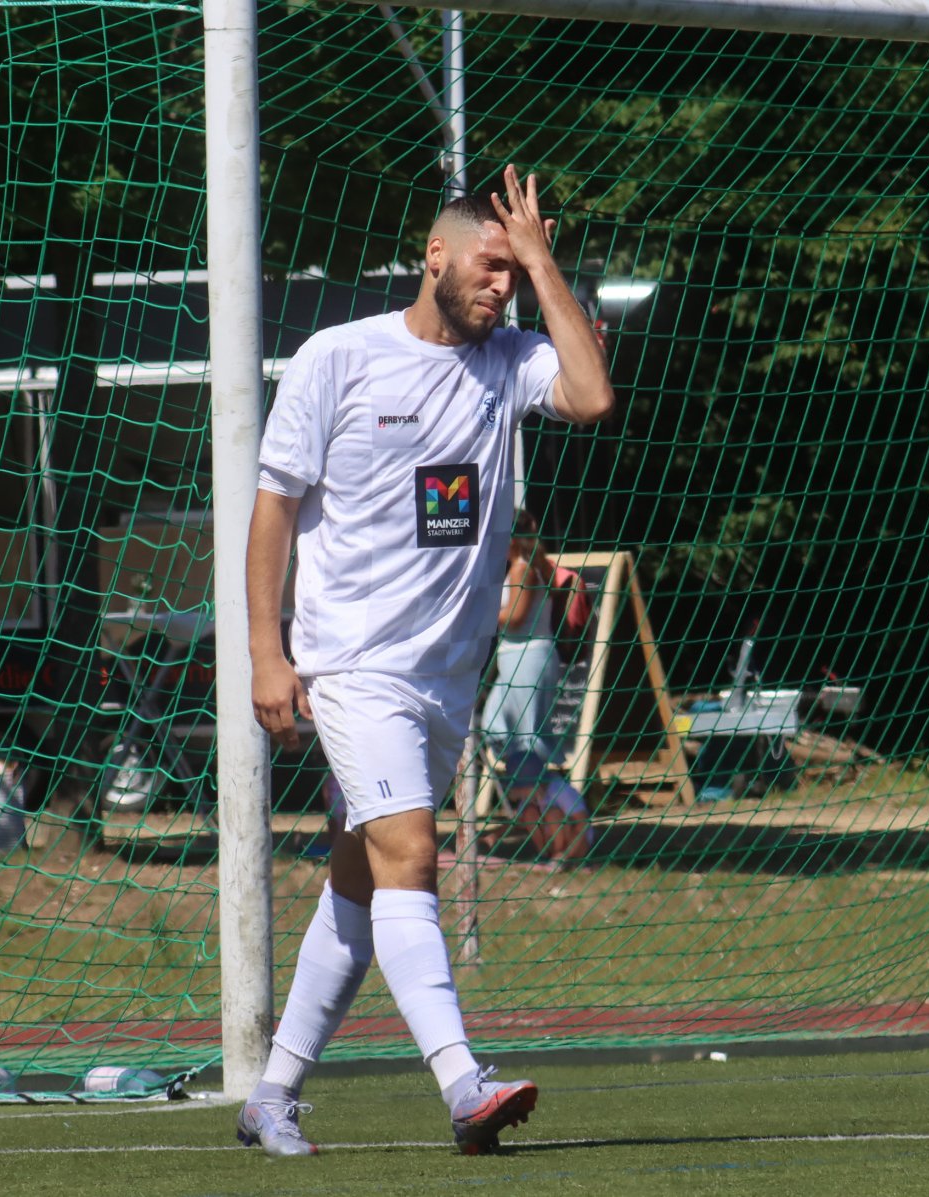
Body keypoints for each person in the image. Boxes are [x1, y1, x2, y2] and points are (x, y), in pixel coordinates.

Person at [240, 165, 615, 1155]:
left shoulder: (510, 360)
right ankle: (462, 1084)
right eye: (489, 266)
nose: (499, 287)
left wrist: (540, 258)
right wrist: (265, 654)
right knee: (415, 856)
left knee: (361, 885)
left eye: (512, 272)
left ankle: (271, 1095)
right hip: (352, 669)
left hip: (447, 678)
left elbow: (590, 396)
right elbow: (272, 509)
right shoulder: (338, 358)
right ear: (434, 256)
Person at [478, 509, 592, 867]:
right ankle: (539, 797)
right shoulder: (523, 567)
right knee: (498, 728)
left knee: (516, 733)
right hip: (518, 658)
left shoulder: (523, 569)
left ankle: (546, 799)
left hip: (528, 658)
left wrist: (474, 615)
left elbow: (515, 618)